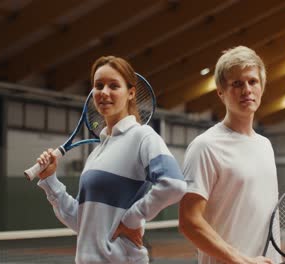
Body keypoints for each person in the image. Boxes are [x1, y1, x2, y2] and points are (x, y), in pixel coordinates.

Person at [35, 56, 186, 264]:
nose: (104, 92)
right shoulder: (97, 153)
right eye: (99, 86)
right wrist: (50, 180)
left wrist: (132, 219)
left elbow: (175, 184)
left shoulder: (143, 136)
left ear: (131, 93)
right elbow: (81, 221)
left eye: (114, 85)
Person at [178, 46, 281, 264]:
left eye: (253, 81)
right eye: (237, 84)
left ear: (262, 87)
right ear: (221, 92)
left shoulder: (265, 145)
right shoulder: (205, 146)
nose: (247, 90)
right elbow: (189, 221)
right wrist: (242, 260)